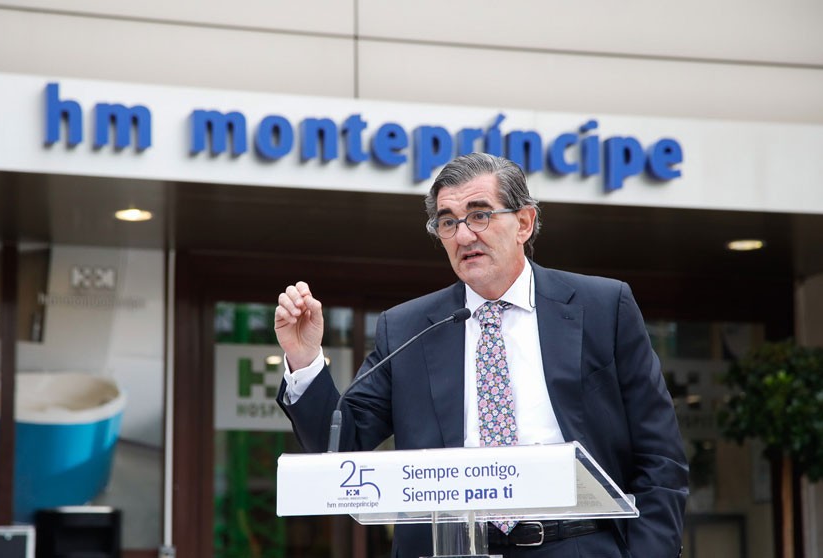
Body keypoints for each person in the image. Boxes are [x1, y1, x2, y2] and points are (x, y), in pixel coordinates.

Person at [275, 153, 688, 557]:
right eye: (448, 222)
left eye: (479, 215)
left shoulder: (602, 307)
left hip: (576, 543)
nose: (463, 236)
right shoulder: (407, 327)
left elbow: (659, 454)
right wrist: (305, 360)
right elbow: (341, 448)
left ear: (524, 223)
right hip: (447, 547)